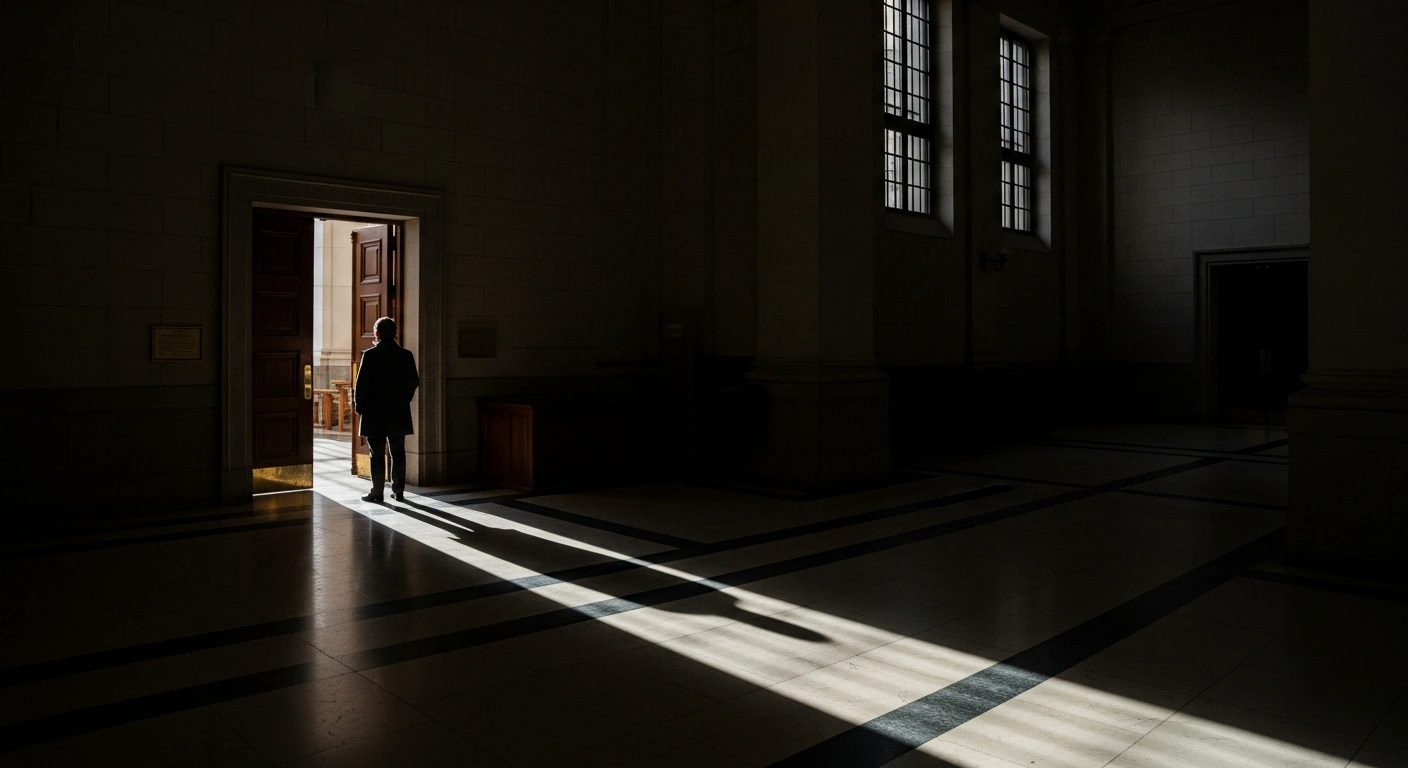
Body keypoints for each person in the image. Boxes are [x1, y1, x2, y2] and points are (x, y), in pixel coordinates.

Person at [353, 316, 419, 502]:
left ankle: (377, 492)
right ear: (395, 333)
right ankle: (398, 491)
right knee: (398, 452)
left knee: (376, 453)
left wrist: (360, 407)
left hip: (374, 412)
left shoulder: (370, 355)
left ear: (377, 334)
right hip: (398, 411)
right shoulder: (406, 355)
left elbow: (361, 385)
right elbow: (413, 382)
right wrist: (403, 400)